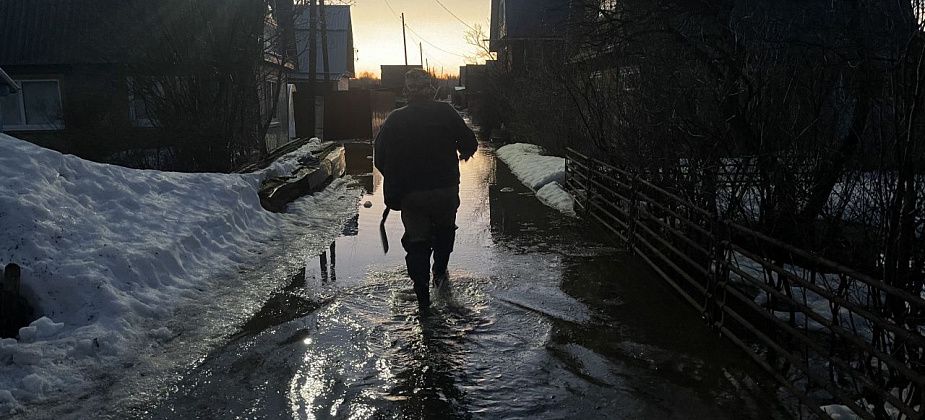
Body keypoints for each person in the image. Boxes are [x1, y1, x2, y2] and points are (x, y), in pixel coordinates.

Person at [374, 69, 478, 310]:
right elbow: (469, 143)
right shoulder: (445, 112)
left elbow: (380, 158)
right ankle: (440, 276)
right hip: (445, 190)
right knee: (444, 233)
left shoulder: (396, 119)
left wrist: (395, 178)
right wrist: (462, 155)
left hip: (412, 196)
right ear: (430, 89)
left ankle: (422, 296)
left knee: (417, 242)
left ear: (406, 92)